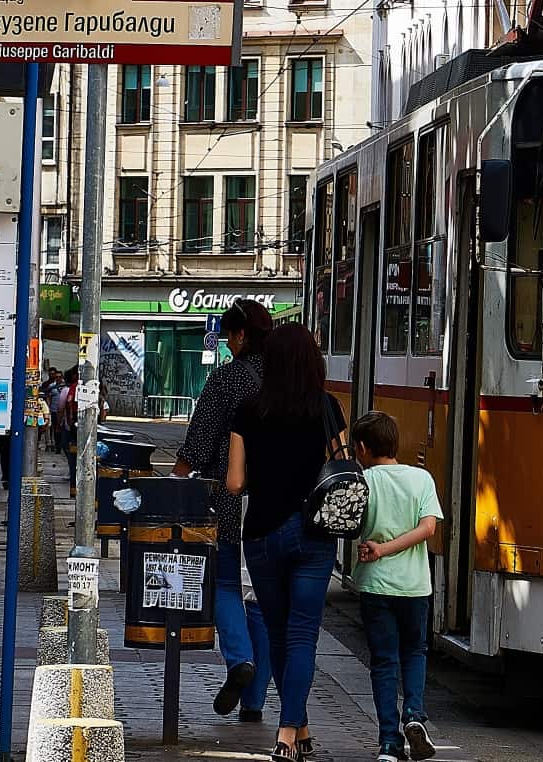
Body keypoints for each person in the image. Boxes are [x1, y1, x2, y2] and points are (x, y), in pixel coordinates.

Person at [225, 323, 344, 762]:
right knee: (302, 637)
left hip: (261, 534)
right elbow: (343, 472)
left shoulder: (248, 411)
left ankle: (296, 729)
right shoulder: (327, 408)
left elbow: (235, 483)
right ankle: (290, 731)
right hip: (314, 535)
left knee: (277, 634)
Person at [173, 299, 274, 722]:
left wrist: (175, 481)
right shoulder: (288, 380)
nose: (230, 343)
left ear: (241, 336)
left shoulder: (226, 380)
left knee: (225, 584)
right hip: (277, 507)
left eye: (232, 335)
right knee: (263, 602)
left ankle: (238, 661)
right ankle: (254, 703)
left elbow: (198, 445)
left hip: (231, 503)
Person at [351, 411, 444, 762]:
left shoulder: (364, 482)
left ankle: (389, 742)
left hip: (376, 586)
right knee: (415, 653)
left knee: (384, 662)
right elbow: (428, 529)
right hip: (416, 586)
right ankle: (414, 715)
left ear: (362, 447)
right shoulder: (421, 478)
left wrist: (377, 548)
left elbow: (349, 524)